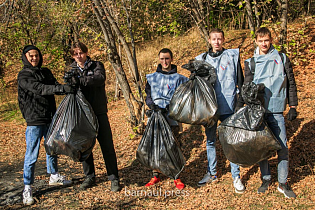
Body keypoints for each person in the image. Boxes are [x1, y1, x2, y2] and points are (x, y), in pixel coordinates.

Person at [243, 27, 298, 198]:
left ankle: (283, 183)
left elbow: (291, 83)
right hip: (259, 112)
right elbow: (246, 88)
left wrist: (293, 106)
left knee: (282, 147)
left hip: (276, 111)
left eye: (266, 40)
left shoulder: (281, 58)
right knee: (262, 148)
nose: (264, 43)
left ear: (271, 40)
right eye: (260, 41)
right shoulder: (250, 62)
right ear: (256, 42)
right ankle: (266, 179)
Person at [18, 45, 74, 205]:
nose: (34, 58)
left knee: (52, 148)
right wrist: (61, 88)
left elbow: (55, 85)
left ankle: (54, 175)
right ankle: (27, 186)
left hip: (50, 117)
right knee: (32, 154)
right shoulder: (24, 75)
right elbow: (40, 88)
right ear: (25, 57)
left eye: (36, 55)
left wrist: (68, 86)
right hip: (34, 120)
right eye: (31, 56)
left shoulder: (46, 72)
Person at [195, 28, 245, 193]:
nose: (216, 42)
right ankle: (212, 173)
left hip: (228, 105)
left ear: (223, 40)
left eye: (219, 39)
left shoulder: (232, 56)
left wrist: (240, 103)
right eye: (213, 39)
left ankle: (236, 176)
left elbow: (240, 81)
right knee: (210, 141)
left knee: (230, 141)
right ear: (209, 40)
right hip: (209, 108)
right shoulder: (202, 59)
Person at [66, 42, 121, 192]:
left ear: (86, 52)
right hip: (82, 114)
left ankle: (114, 177)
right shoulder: (71, 69)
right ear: (72, 55)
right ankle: (89, 177)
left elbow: (99, 79)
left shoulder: (96, 65)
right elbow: (70, 88)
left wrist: (81, 80)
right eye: (75, 54)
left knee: (107, 146)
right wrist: (70, 82)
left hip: (98, 111)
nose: (79, 56)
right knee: (85, 147)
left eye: (81, 53)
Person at [144, 48, 189, 190]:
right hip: (156, 117)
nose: (165, 61)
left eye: (167, 58)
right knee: (155, 146)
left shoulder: (179, 78)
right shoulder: (152, 77)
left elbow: (183, 96)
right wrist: (153, 106)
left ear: (171, 59)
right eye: (162, 59)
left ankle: (177, 176)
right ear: (159, 59)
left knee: (174, 145)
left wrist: (171, 106)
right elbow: (148, 95)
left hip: (171, 116)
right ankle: (155, 175)